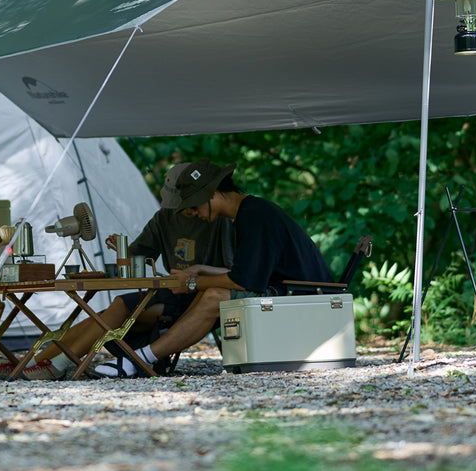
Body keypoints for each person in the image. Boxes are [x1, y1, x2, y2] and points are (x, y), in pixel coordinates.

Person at [91, 158, 334, 378]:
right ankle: (151, 356)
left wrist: (191, 283)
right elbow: (249, 273)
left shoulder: (254, 216)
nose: (193, 213)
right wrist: (200, 272)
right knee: (209, 292)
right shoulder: (249, 212)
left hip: (304, 296)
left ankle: (139, 359)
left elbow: (243, 281)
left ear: (213, 194)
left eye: (194, 206)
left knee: (214, 296)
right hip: (290, 290)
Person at [0, 162, 232, 381]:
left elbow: (233, 271)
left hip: (196, 297)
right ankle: (36, 363)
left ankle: (51, 364)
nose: (189, 211)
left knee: (115, 309)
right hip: (168, 291)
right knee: (106, 314)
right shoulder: (165, 218)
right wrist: (122, 250)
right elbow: (139, 256)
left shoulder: (220, 219)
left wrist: (197, 275)